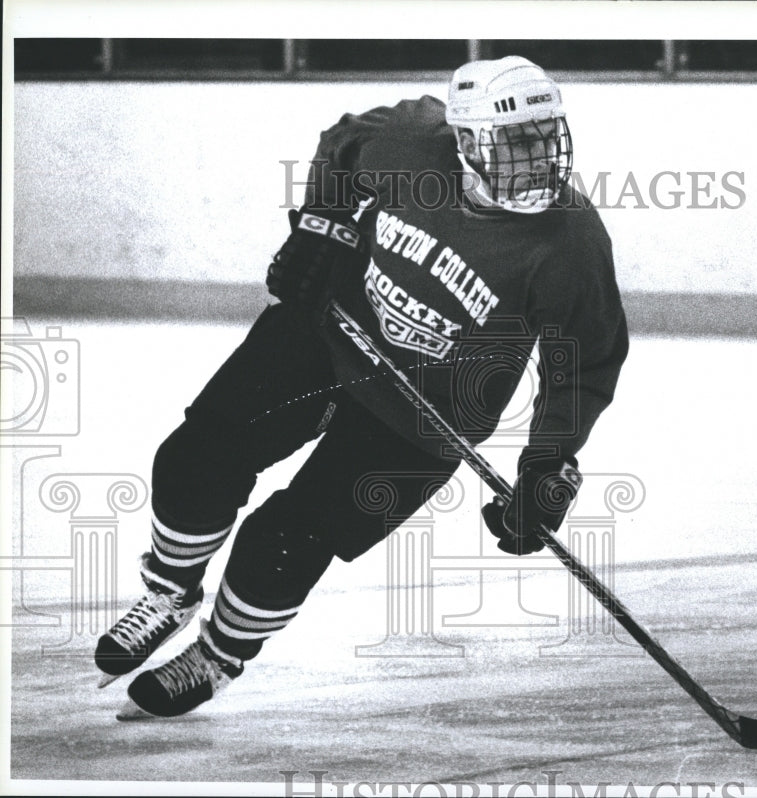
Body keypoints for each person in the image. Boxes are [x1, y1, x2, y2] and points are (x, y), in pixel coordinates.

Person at [95, 55, 630, 719]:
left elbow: (584, 363)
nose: (538, 162)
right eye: (514, 145)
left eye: (544, 140)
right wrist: (323, 223)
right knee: (196, 455)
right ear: (463, 141)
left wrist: (548, 462)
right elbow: (341, 143)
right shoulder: (410, 140)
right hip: (331, 330)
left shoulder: (571, 239)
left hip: (430, 415)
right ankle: (170, 591)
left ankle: (219, 654)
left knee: (286, 540)